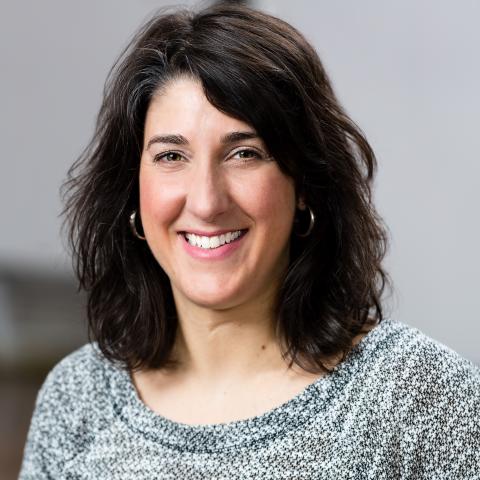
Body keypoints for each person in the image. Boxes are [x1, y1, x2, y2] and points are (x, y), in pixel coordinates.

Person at [19, 2, 479, 478]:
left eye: (244, 153)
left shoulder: (417, 397)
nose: (206, 201)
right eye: (172, 155)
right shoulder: (77, 398)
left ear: (303, 183)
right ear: (132, 189)